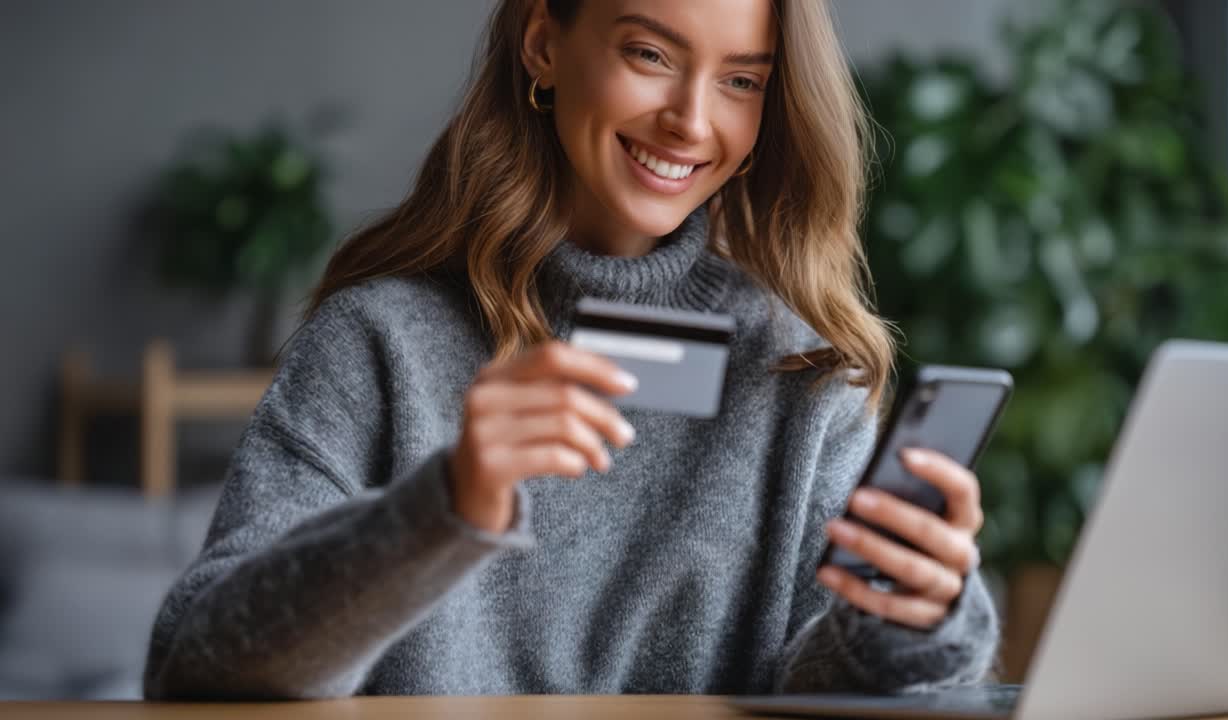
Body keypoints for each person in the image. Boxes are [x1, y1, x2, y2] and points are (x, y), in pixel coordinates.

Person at [144, 0, 998, 699]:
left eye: (742, 80)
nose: (691, 122)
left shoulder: (801, 378)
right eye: (649, 55)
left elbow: (813, 689)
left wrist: (910, 622)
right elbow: (195, 663)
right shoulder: (378, 344)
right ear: (545, 45)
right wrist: (446, 508)